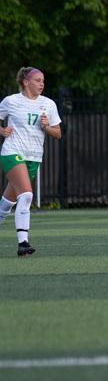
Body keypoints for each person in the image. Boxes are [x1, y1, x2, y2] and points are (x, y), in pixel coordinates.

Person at [0, 67, 62, 256]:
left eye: (43, 80)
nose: (42, 83)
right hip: (12, 153)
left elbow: (57, 133)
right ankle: (23, 243)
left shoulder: (48, 104)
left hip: (34, 157)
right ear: (25, 82)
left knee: (8, 202)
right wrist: (2, 131)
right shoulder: (11, 101)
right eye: (37, 80)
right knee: (26, 195)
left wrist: (45, 127)